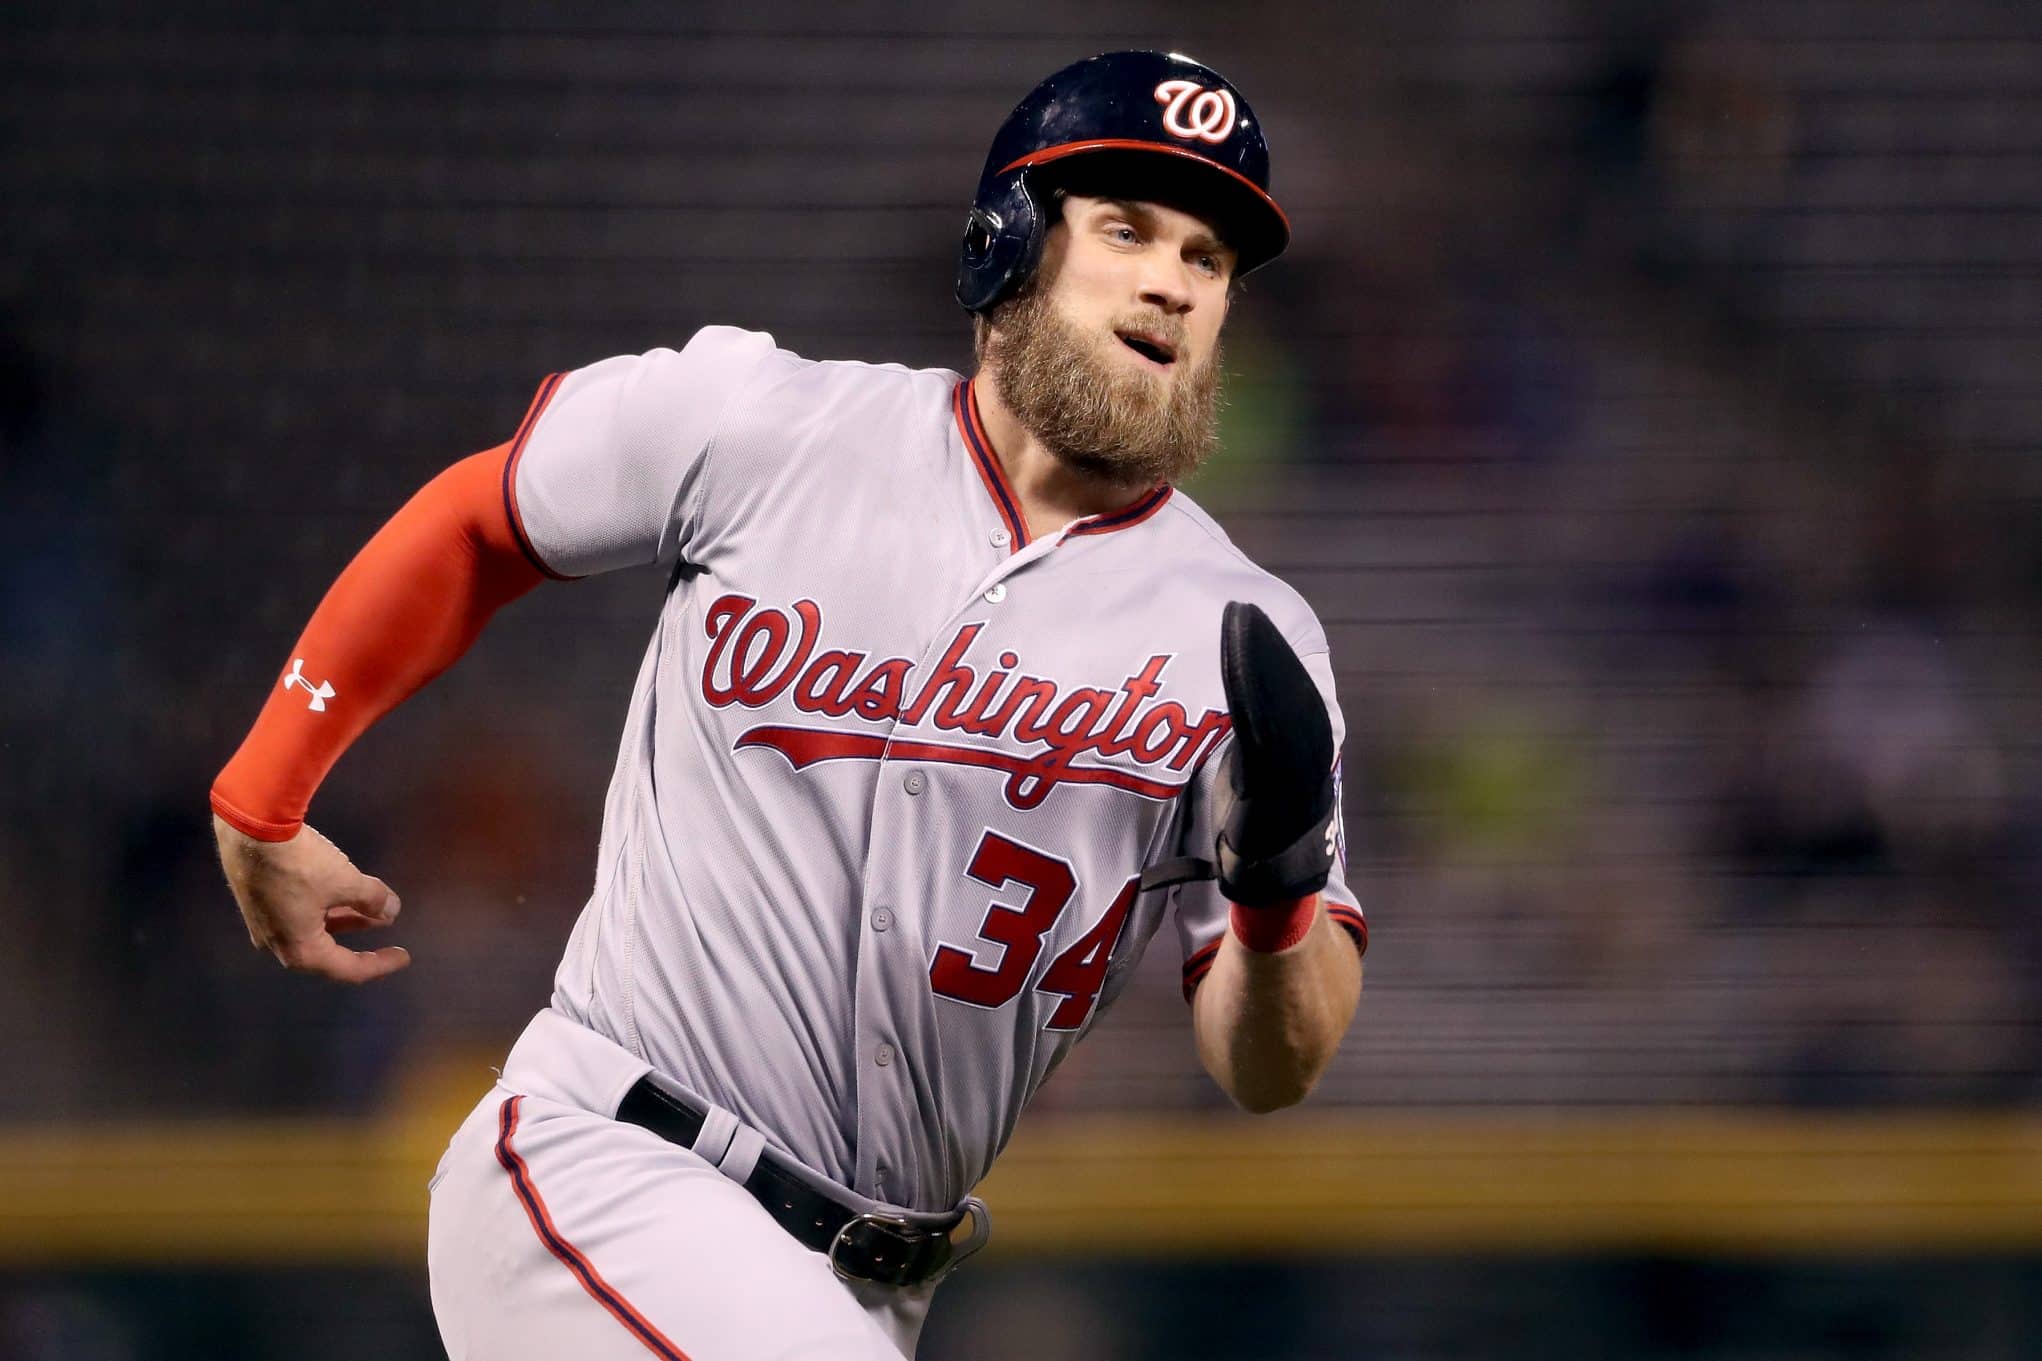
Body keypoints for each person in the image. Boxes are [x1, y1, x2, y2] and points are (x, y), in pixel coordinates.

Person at [209, 50, 1366, 1360]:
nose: (1172, 277)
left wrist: (1275, 888)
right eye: (1125, 229)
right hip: (616, 1168)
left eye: (1209, 256)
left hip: (879, 1275)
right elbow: (484, 520)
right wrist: (267, 787)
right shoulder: (766, 427)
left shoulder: (1243, 633)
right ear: (1006, 245)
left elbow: (1269, 1063)